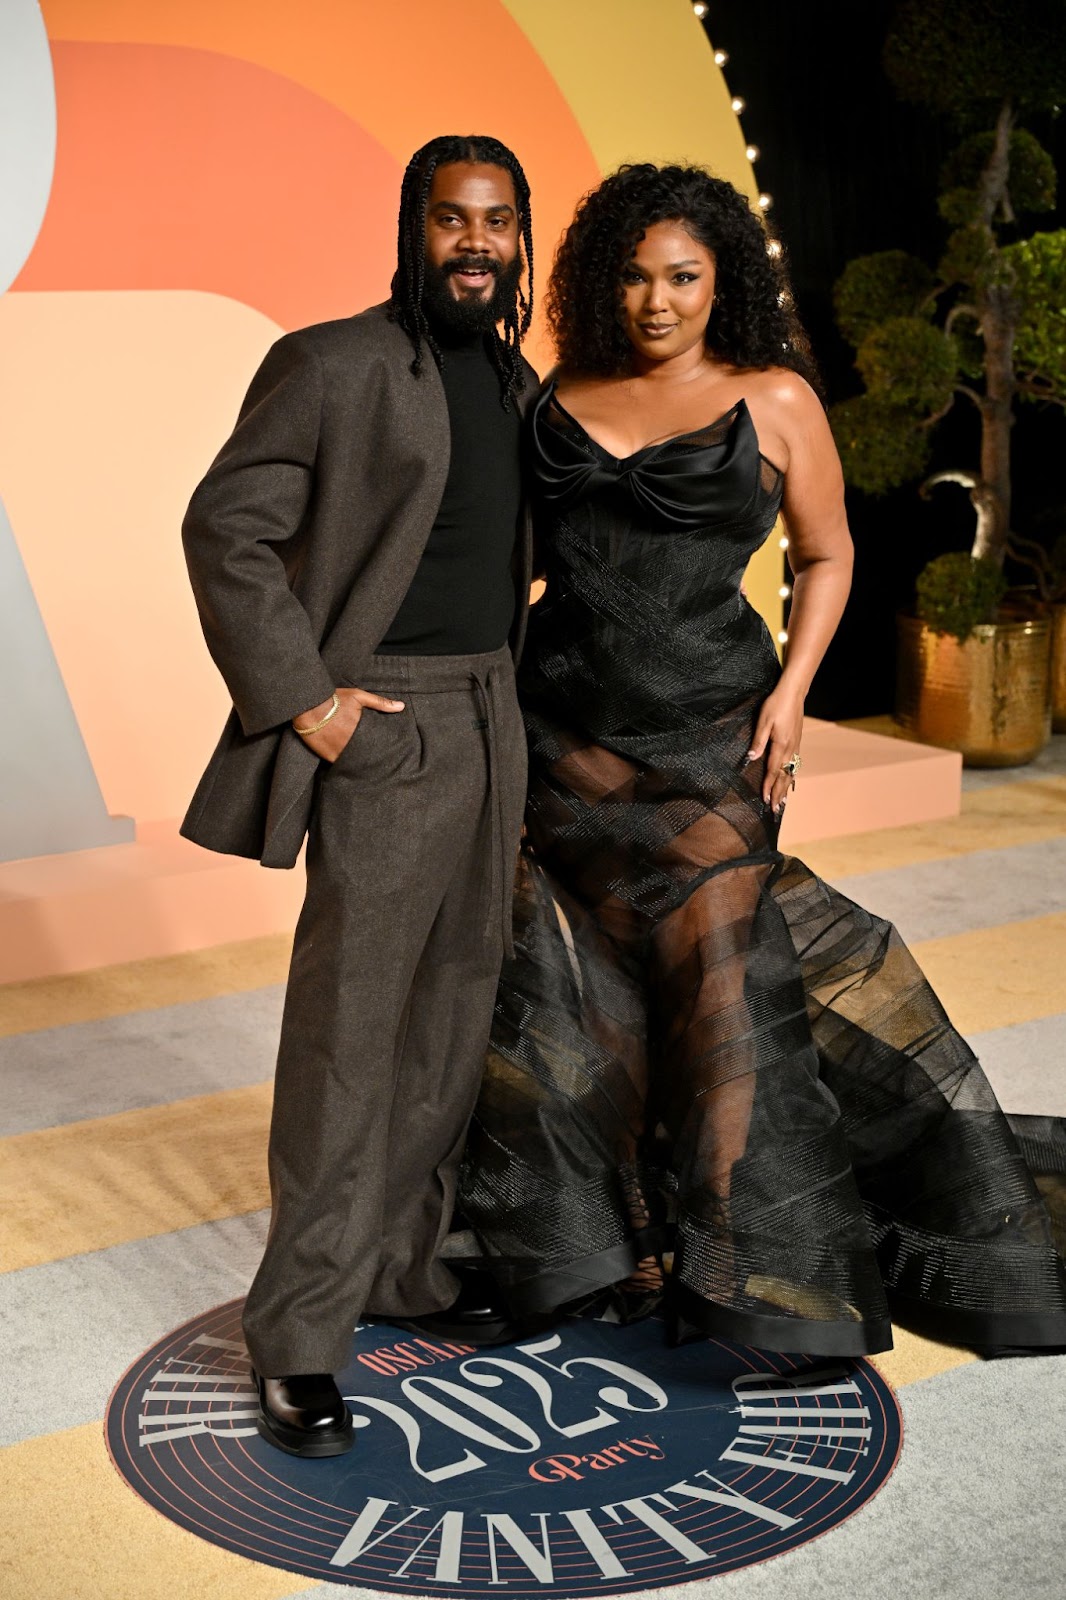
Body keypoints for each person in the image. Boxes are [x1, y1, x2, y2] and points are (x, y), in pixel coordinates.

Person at [459, 163, 1066, 1358]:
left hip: (714, 740)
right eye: (632, 277)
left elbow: (826, 556)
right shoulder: (550, 398)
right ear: (600, 282)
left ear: (720, 278)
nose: (655, 301)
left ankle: (759, 1270)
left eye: (681, 276)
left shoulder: (776, 398)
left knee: (721, 987)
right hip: (564, 745)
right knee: (583, 997)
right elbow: (507, 569)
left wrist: (792, 697)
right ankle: (622, 1238)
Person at [181, 134, 538, 1457]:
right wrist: (311, 702)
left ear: (518, 237)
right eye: (450, 219)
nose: (473, 244)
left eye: (495, 222)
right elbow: (226, 527)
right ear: (411, 227)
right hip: (384, 727)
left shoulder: (512, 378)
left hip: (493, 716)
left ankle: (402, 1270)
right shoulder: (330, 364)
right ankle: (298, 1340)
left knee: (450, 1025)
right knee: (349, 1041)